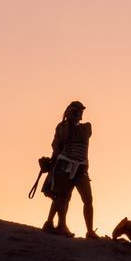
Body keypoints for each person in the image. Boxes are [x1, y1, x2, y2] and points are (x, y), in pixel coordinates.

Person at [42, 100, 97, 239]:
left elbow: (83, 136)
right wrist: (67, 121)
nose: (79, 113)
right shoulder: (62, 126)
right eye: (75, 110)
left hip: (81, 167)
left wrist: (72, 122)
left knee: (88, 199)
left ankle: (89, 231)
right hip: (64, 165)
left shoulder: (86, 127)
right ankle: (59, 225)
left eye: (80, 111)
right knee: (62, 197)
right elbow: (61, 141)